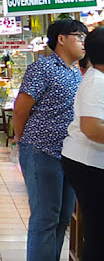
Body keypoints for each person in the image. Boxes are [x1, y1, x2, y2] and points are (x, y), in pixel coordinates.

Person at [12, 19, 86, 261]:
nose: (83, 42)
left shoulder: (75, 72)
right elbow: (21, 108)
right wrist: (23, 139)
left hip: (68, 155)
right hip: (42, 151)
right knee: (45, 217)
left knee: (62, 217)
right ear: (61, 39)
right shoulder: (43, 67)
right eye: (79, 36)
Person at [61, 27, 104, 261]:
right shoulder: (97, 82)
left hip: (87, 160)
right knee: (99, 231)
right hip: (88, 162)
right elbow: (92, 128)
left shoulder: (96, 77)